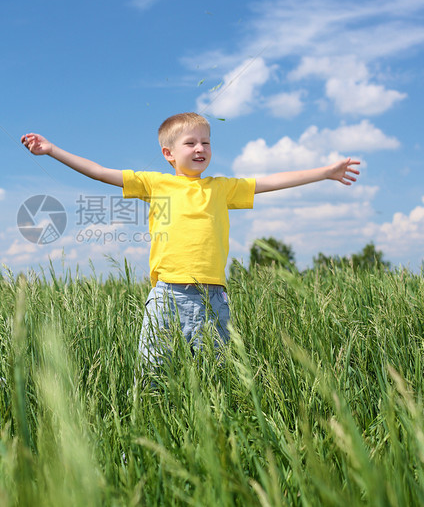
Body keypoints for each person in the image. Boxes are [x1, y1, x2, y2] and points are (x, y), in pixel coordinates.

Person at [21, 112, 360, 369]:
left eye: (206, 142)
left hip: (212, 297)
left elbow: (272, 181)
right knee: (154, 373)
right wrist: (52, 150)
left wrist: (324, 172)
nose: (200, 148)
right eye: (191, 143)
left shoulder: (222, 187)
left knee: (217, 374)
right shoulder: (155, 184)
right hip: (167, 294)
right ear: (168, 153)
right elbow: (98, 171)